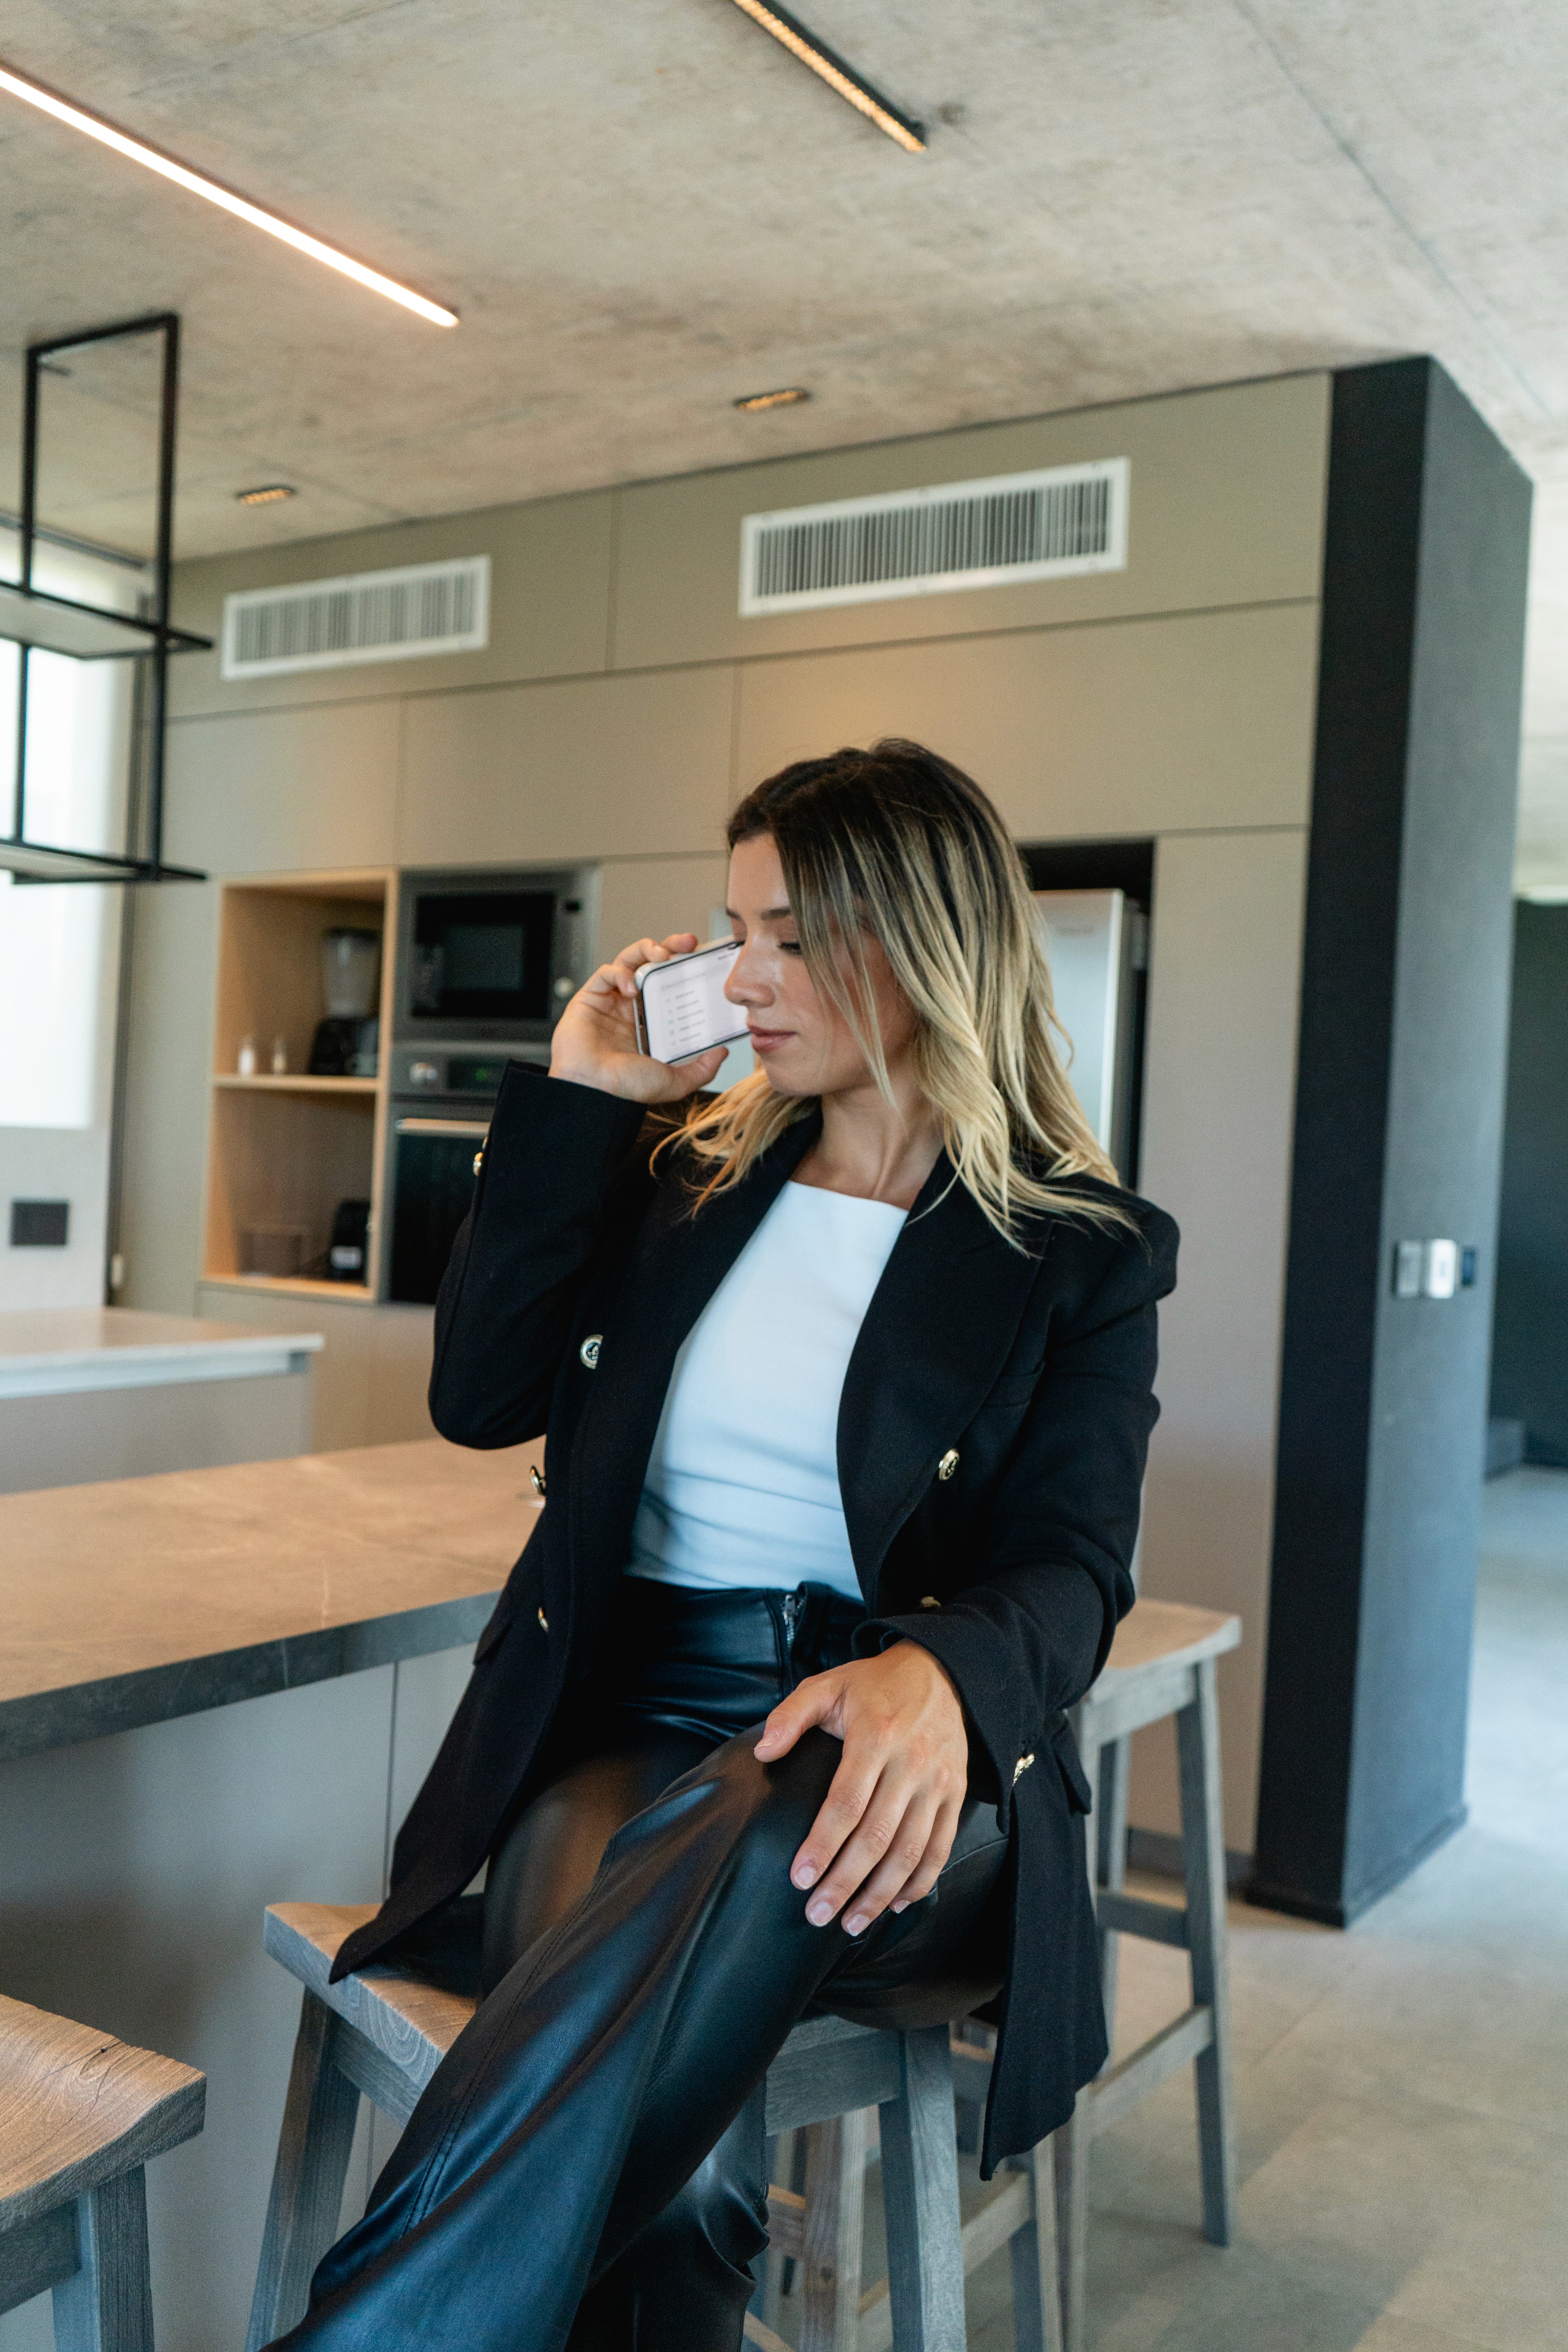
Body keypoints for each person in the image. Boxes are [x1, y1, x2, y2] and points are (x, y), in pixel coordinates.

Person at [273, 738, 1178, 2352]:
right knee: (679, 2178)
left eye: (790, 936)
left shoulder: (1078, 1249)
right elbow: (480, 1397)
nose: (740, 975)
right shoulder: (680, 1172)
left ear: (921, 942)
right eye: (735, 928)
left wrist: (944, 1676)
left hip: (898, 1771)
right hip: (630, 1729)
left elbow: (1073, 1562)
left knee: (770, 1829)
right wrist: (577, 1102)